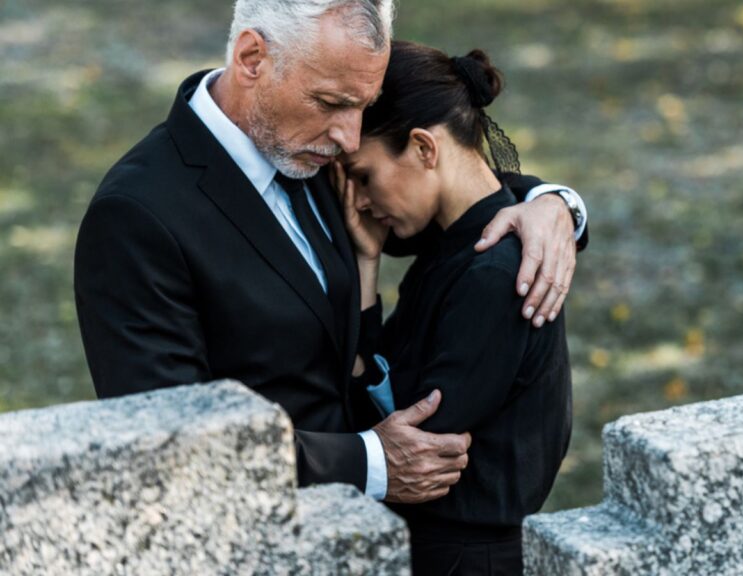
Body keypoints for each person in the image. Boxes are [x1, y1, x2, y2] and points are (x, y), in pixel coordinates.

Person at [73, 0, 587, 505]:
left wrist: (553, 205)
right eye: (332, 103)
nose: (350, 136)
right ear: (253, 59)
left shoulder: (319, 147)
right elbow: (172, 443)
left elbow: (453, 189)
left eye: (363, 106)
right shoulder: (136, 216)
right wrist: (370, 463)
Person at [338, 41, 572, 575]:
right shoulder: (454, 244)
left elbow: (411, 440)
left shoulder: (496, 273)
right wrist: (366, 266)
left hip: (467, 558)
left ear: (424, 147)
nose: (359, 201)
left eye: (362, 175)